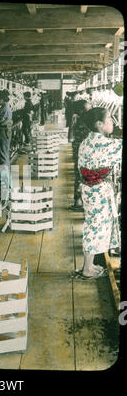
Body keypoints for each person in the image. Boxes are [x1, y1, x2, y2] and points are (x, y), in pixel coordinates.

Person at [73, 107, 122, 279]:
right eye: (109, 118)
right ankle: (87, 269)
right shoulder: (107, 144)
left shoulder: (86, 142)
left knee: (92, 226)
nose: (113, 122)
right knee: (96, 228)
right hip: (99, 191)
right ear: (99, 124)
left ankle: (89, 264)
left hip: (88, 190)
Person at [68, 100, 92, 211]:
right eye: (88, 108)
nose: (90, 109)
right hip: (82, 152)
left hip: (79, 151)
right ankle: (78, 202)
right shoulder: (83, 122)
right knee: (81, 176)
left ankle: (78, 201)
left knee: (79, 175)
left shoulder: (78, 119)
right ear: (82, 110)